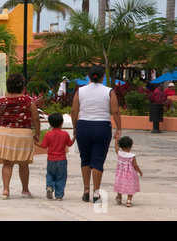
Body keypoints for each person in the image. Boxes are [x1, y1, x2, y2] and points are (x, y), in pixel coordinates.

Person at [71, 65, 122, 203]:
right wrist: (119, 128)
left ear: (88, 76)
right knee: (98, 160)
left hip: (84, 126)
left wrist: (75, 127)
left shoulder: (80, 91)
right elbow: (115, 111)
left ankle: (86, 189)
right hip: (102, 126)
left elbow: (74, 111)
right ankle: (96, 192)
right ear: (102, 77)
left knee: (85, 158)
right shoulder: (109, 91)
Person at [0, 73, 41, 200]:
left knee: (7, 163)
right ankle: (25, 190)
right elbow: (35, 118)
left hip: (6, 133)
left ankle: (6, 189)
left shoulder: (1, 101)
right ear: (22, 87)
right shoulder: (29, 101)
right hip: (24, 133)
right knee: (23, 164)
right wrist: (38, 133)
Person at [34, 113, 75, 200]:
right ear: (62, 123)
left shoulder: (48, 134)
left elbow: (44, 146)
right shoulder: (65, 134)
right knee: (61, 177)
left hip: (51, 160)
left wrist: (36, 143)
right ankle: (59, 195)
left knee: (50, 174)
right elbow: (70, 144)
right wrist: (75, 136)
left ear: (50, 123)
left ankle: (50, 186)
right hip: (62, 160)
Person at [113, 136, 143, 207]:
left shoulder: (119, 153)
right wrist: (140, 172)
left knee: (120, 185)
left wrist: (116, 140)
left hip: (120, 174)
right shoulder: (132, 156)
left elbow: (116, 147)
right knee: (130, 187)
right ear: (130, 146)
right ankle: (129, 200)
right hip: (130, 175)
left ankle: (119, 197)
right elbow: (135, 165)